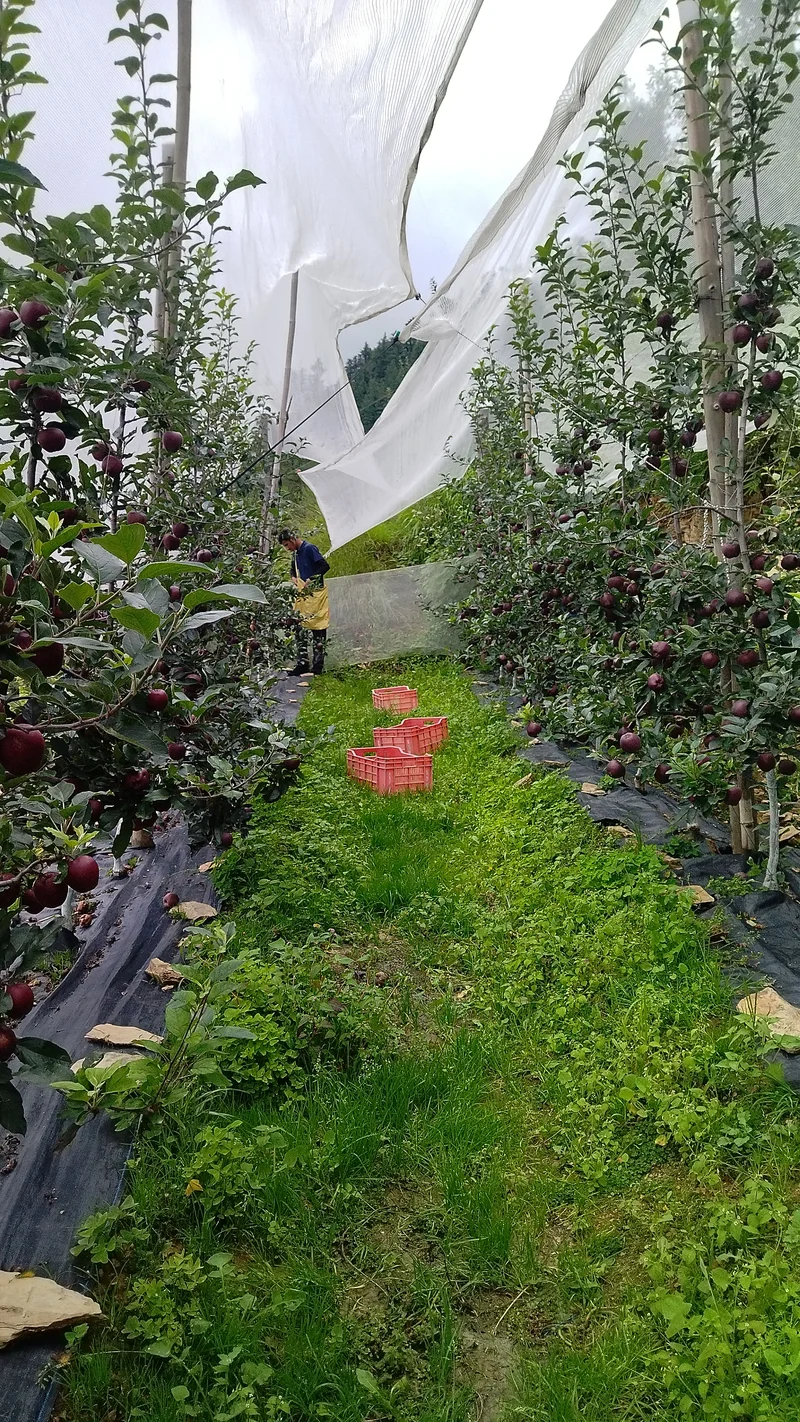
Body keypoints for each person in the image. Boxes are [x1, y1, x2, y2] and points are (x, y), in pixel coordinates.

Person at [279, 529, 331, 675]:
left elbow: (324, 566)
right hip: (303, 595)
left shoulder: (309, 548)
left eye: (287, 544)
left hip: (316, 594)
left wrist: (311, 579)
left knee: (318, 628)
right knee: (299, 627)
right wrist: (293, 577)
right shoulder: (295, 554)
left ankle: (317, 666)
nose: (287, 548)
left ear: (292, 539)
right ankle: (302, 663)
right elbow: (292, 570)